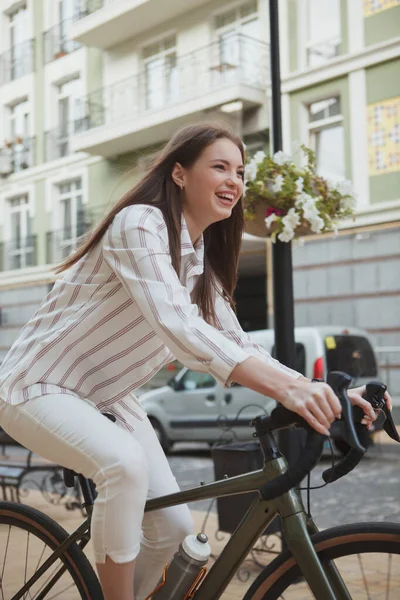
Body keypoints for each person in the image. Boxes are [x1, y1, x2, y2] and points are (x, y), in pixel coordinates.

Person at [0, 123, 389, 600]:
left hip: (107, 399)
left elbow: (237, 342)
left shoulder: (199, 261)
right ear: (180, 173)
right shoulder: (139, 224)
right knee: (123, 465)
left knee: (173, 529)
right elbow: (179, 327)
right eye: (220, 167)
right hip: (37, 385)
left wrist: (325, 391)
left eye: (240, 172)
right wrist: (288, 392)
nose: (234, 181)